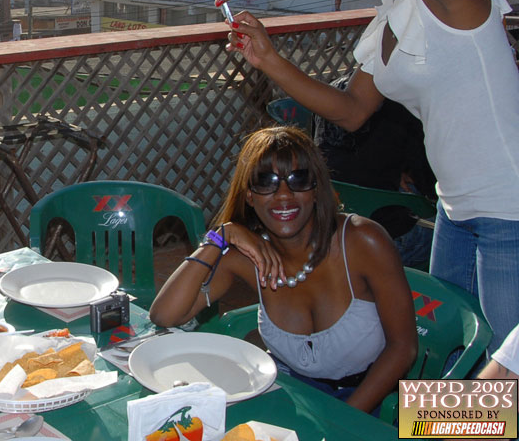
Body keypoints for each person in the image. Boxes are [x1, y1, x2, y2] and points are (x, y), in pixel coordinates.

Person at [213, 0, 519, 352]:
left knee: (506, 370)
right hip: (455, 209)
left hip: (509, 206)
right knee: (451, 350)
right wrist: (268, 58)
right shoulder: (396, 8)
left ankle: (433, 429)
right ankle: (431, 430)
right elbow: (352, 109)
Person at [150, 126, 417, 413]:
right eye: (266, 182)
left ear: (316, 189)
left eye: (298, 179)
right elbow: (164, 315)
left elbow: (403, 347)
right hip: (293, 396)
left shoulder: (362, 240)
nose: (284, 195)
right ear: (249, 196)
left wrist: (344, 420)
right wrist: (219, 237)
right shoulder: (247, 259)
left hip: (373, 402)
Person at [312, 72, 437, 267]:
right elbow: (430, 183)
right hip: (389, 237)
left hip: (334, 231)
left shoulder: (329, 96)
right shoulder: (403, 104)